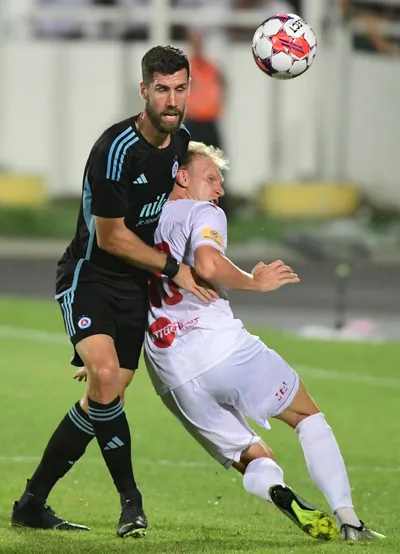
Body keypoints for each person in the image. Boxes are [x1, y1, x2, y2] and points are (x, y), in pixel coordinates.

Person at [11, 45, 217, 538]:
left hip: (135, 289)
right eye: (162, 90)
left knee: (104, 394)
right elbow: (111, 237)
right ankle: (132, 504)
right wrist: (176, 269)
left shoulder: (182, 140)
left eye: (180, 89)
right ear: (144, 90)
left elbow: (173, 202)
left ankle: (32, 502)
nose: (172, 100)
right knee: (104, 377)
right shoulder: (115, 149)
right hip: (91, 278)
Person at [143, 141, 386, 543]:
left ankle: (277, 492)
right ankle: (349, 520)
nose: (219, 189)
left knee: (255, 457)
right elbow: (207, 264)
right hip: (220, 347)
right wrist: (254, 282)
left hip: (169, 370)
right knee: (307, 417)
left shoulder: (140, 222)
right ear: (182, 177)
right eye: (211, 178)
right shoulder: (204, 212)